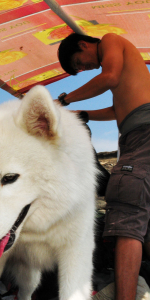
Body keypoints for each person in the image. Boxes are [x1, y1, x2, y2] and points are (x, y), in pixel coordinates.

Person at [57, 32, 150, 300]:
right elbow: (116, 110)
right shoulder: (125, 68)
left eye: (79, 62)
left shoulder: (110, 39)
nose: (84, 68)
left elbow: (108, 77)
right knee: (145, 216)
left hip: (143, 134)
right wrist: (82, 115)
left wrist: (64, 101)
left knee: (126, 210)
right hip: (138, 133)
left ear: (83, 44)